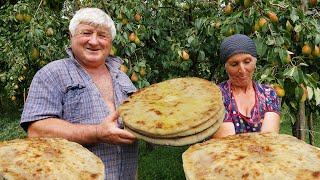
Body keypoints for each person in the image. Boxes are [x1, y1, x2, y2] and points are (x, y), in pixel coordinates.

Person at [20, 8, 138, 179]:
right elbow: (37, 131)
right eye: (87, 33)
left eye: (102, 35)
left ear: (110, 41)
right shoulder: (52, 73)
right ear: (71, 36)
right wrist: (97, 132)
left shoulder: (123, 77)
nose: (94, 41)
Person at [212, 34, 280, 138]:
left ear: (255, 62)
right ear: (226, 67)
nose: (242, 70)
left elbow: (269, 140)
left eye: (247, 62)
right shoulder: (217, 96)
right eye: (234, 64)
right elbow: (226, 145)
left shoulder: (268, 94)